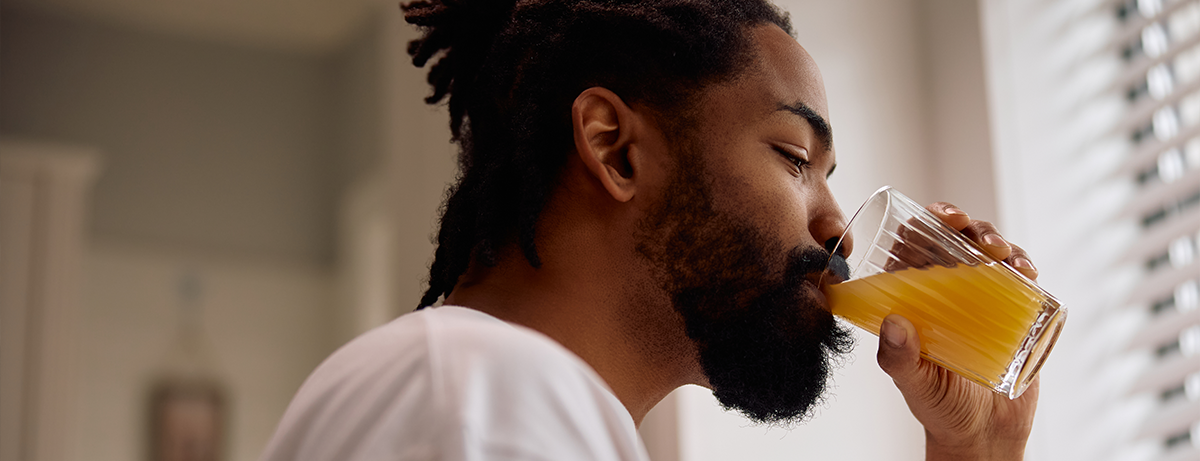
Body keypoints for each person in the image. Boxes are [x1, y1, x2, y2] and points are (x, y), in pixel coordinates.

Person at [260, 1, 1044, 460]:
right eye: (794, 156)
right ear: (616, 148)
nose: (836, 227)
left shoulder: (499, 396)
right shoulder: (481, 389)